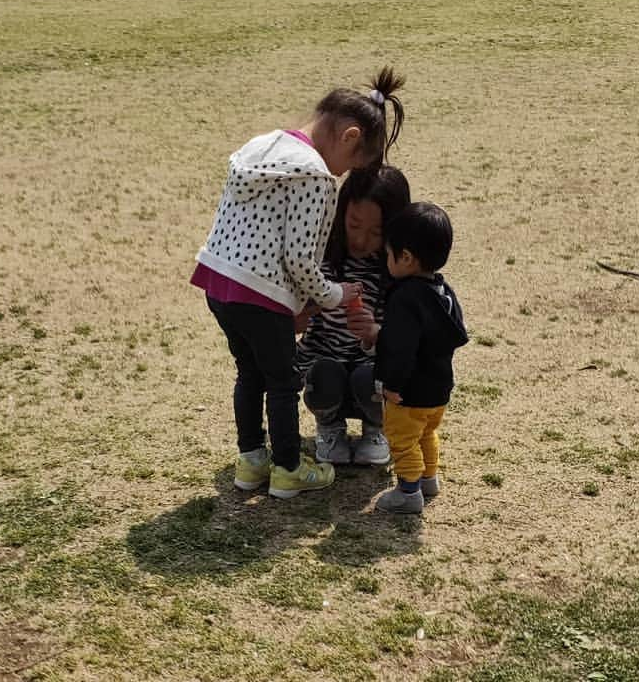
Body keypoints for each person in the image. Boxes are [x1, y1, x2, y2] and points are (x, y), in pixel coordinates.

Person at [192, 69, 406, 500]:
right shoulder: (316, 177)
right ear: (348, 137)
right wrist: (333, 294)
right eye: (351, 165)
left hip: (219, 283)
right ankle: (289, 467)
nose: (344, 175)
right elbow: (300, 259)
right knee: (283, 381)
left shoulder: (263, 146)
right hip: (262, 291)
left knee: (248, 372)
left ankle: (251, 462)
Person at [296, 166, 412, 466]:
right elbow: (295, 321)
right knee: (323, 374)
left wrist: (374, 333)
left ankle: (376, 430)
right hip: (324, 368)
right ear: (339, 215)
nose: (361, 240)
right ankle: (330, 427)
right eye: (354, 225)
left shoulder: (396, 272)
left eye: (376, 232)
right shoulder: (319, 261)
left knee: (367, 377)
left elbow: (408, 341)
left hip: (372, 377)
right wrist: (316, 305)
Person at [373, 202, 467, 514]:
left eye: (389, 254)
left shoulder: (405, 298)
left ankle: (408, 491)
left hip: (409, 392)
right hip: (439, 389)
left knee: (402, 440)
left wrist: (390, 383)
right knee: (427, 433)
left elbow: (400, 348)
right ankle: (429, 478)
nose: (387, 260)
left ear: (407, 258)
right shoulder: (444, 293)